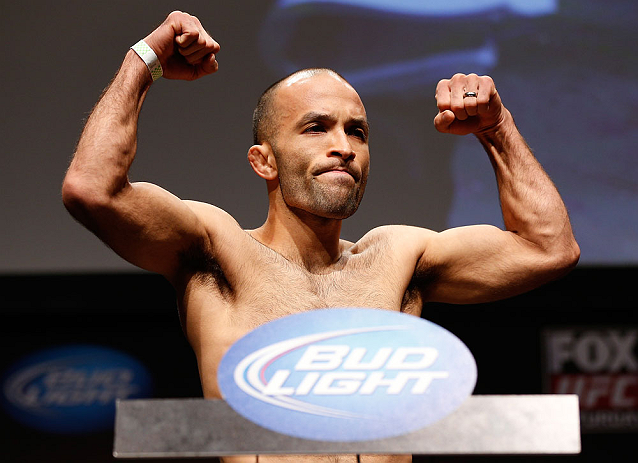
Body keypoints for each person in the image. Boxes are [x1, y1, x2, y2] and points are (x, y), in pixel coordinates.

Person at [62, 11, 579, 463]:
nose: (343, 147)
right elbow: (92, 190)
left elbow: (549, 248)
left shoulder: (399, 258)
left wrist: (496, 127)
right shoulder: (217, 250)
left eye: (356, 131)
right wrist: (144, 60)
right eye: (316, 128)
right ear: (263, 160)